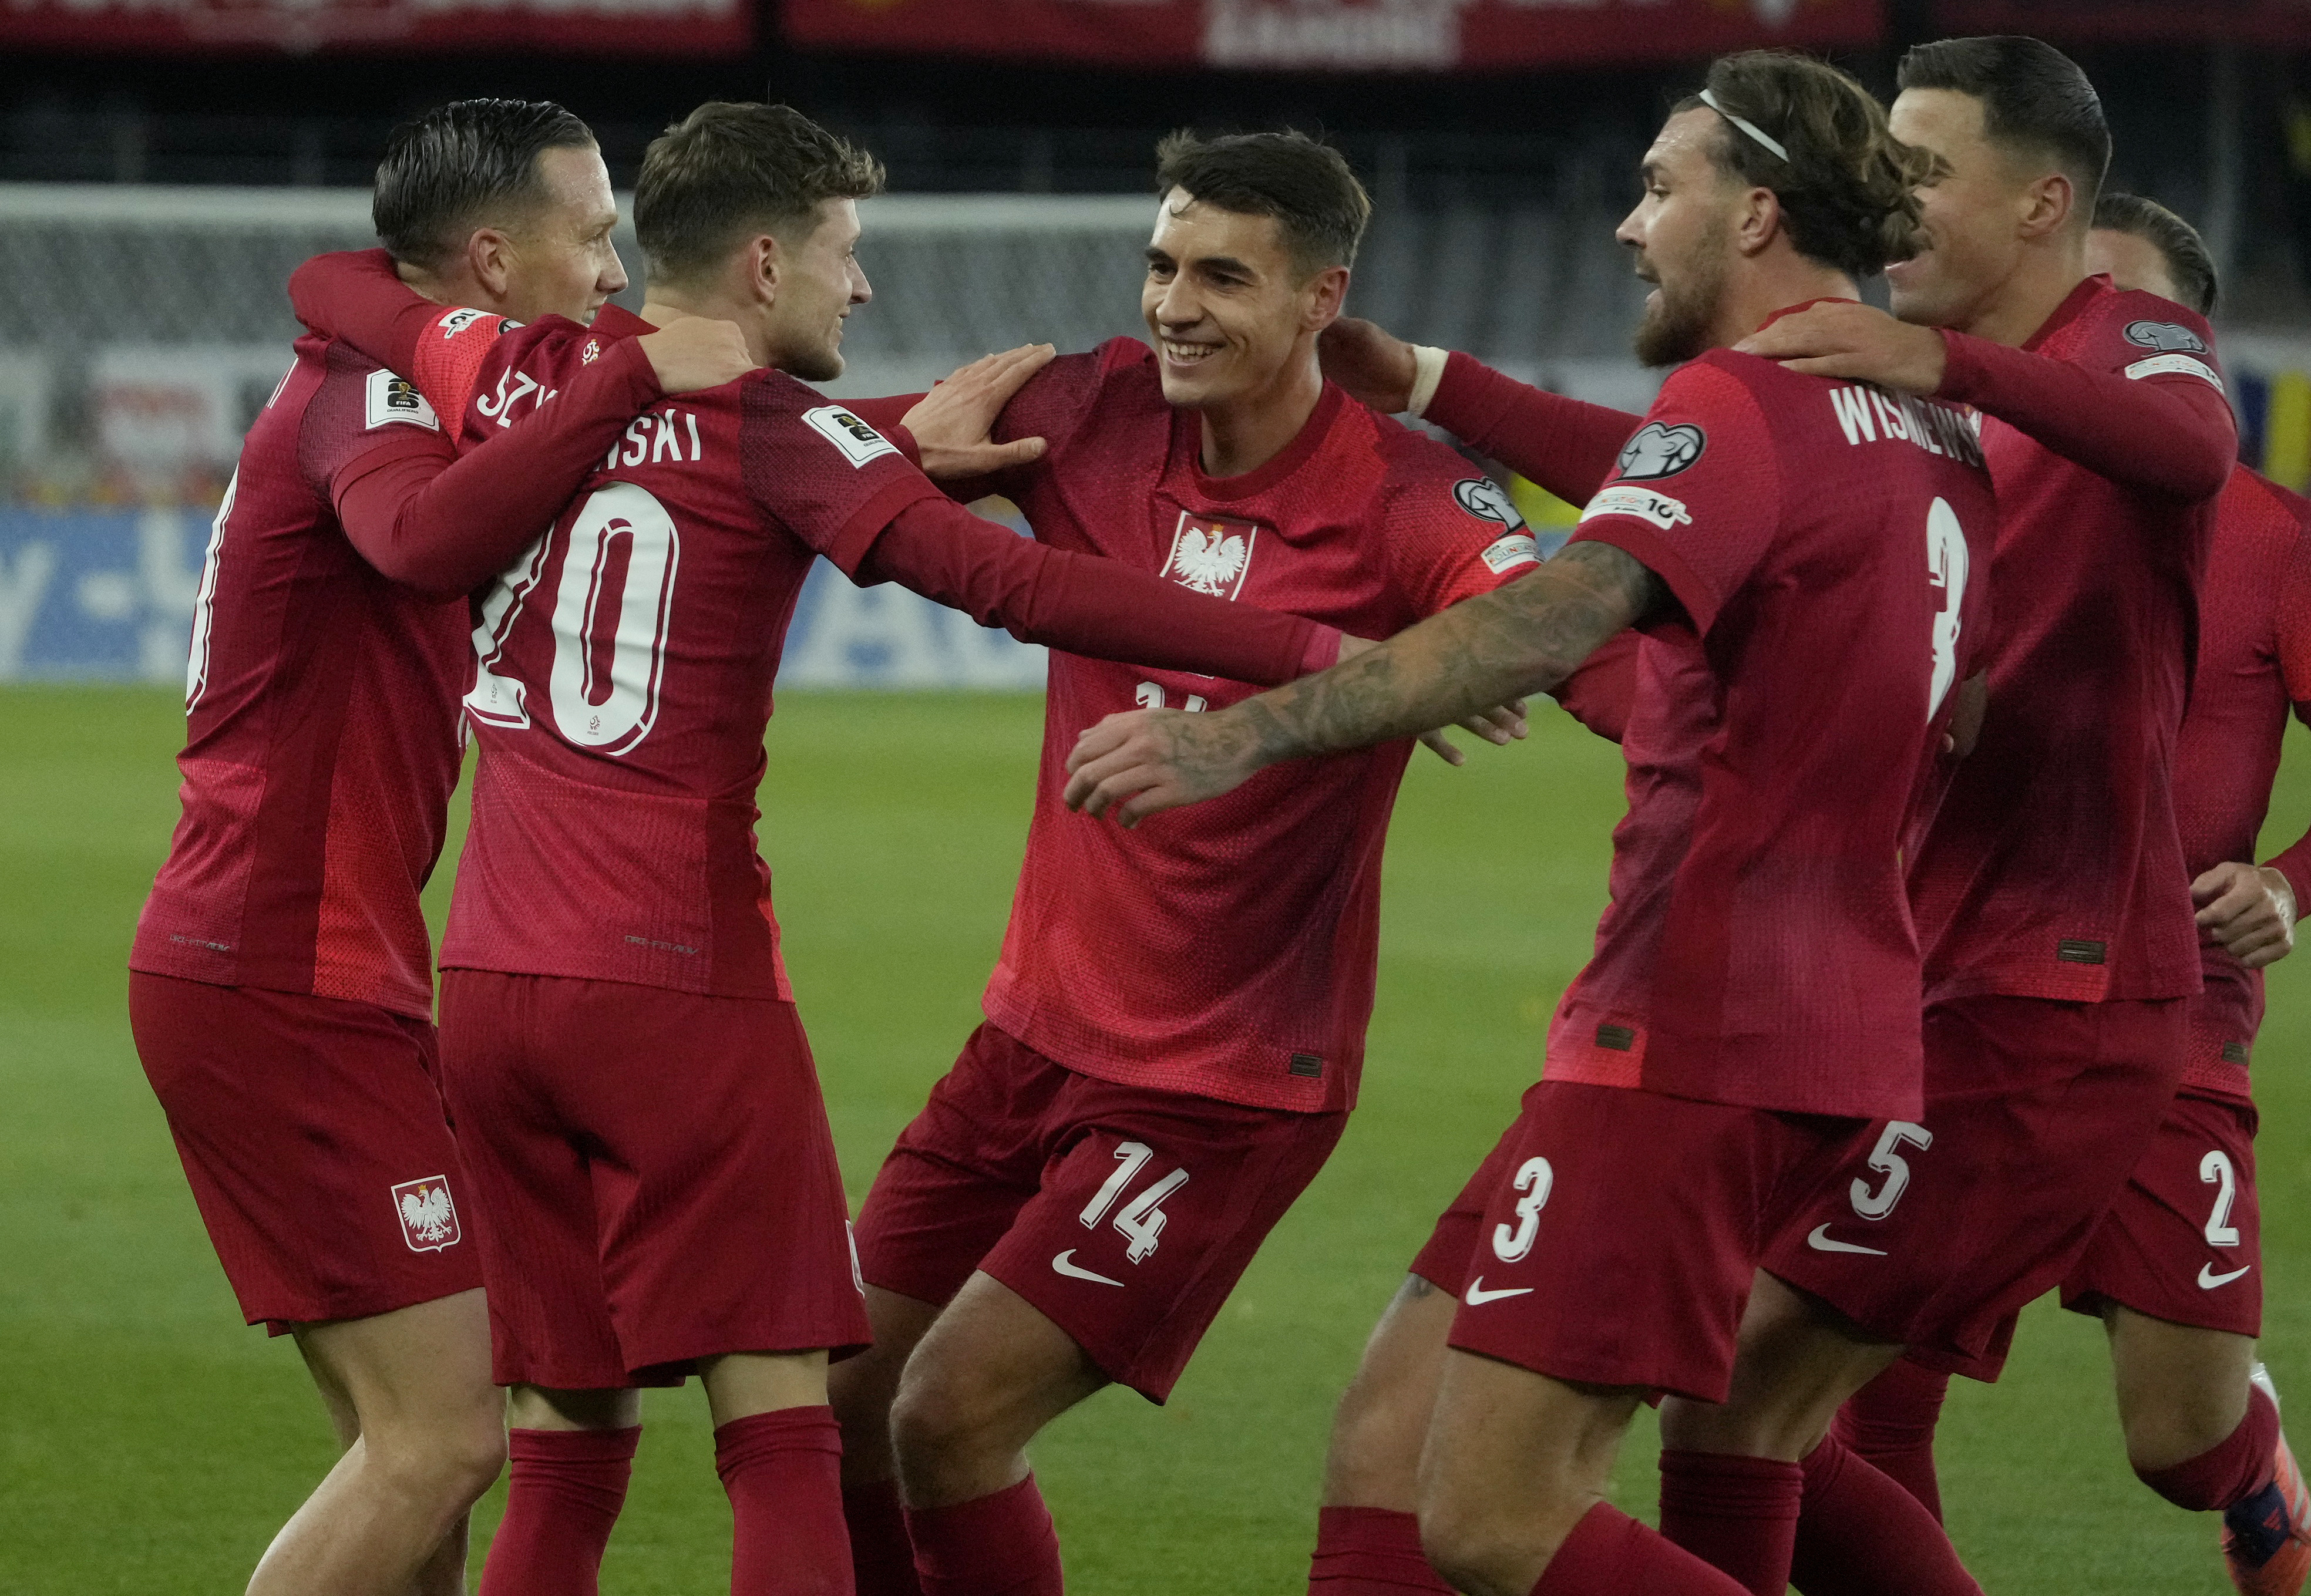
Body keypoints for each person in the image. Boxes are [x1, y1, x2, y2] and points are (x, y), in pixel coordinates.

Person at [288, 100, 1422, 1596]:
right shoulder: (773, 428)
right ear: (766, 265)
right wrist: (1306, 647)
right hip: (674, 986)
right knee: (786, 1437)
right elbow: (1016, 588)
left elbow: (338, 288)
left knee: (566, 1451)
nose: (863, 285)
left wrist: (883, 438)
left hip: (491, 990)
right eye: (843, 253)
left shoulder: (534, 381)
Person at [1069, 51, 1995, 1596]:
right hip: (1816, 1023)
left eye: (1659, 188)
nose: (1629, 225)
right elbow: (1953, 704)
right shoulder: (1929, 435)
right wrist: (1434, 381)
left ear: (1755, 214)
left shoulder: (1744, 401)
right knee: (1393, 1428)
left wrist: (1236, 734)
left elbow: (1552, 616)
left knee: (1495, 1520)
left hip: (1693, 1031)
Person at [816, 128, 1625, 1596]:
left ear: (1323, 298)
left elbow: (1550, 630)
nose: (1174, 306)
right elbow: (814, 445)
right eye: (1163, 265)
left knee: (950, 1417)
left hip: (1220, 1086)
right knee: (842, 1402)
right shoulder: (1092, 409)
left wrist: (1442, 666)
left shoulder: (1410, 495)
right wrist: (881, 442)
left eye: (1223, 278)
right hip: (1026, 1038)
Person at [126, 98, 758, 1596]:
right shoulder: (375, 398)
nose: (613, 270)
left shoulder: (416, 376)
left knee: (406, 1453)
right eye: (591, 237)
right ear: (491, 256)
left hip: (304, 966)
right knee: (443, 1441)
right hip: (281, 972)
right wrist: (626, 379)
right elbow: (420, 542)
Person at [1715, 36, 2238, 1594]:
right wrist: (1435, 388)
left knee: (1739, 1391)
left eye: (1927, 170)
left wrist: (1948, 367)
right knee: (1767, 1397)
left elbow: (2191, 447)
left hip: (2054, 986)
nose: (1895, 201)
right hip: (1915, 969)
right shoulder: (1937, 411)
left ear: (2043, 204)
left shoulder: (2128, 334)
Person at [1829, 193, 2311, 1596]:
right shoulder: (1957, 493)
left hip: (2171, 1012)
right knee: (1859, 1392)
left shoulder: (2274, 536)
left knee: (2178, 1446)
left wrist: (2287, 887)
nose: (2080, 329)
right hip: (1951, 994)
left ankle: (2251, 1458)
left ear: (2186, 344)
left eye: (2118, 305)